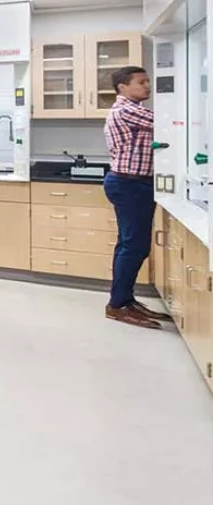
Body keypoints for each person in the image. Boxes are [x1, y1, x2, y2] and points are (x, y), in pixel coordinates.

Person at [103, 66, 169, 329]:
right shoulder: (126, 110)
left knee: (131, 245)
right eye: (141, 82)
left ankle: (125, 300)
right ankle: (118, 305)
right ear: (123, 87)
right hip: (130, 184)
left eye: (148, 82)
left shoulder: (131, 110)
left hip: (133, 184)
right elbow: (168, 124)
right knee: (133, 246)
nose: (147, 86)